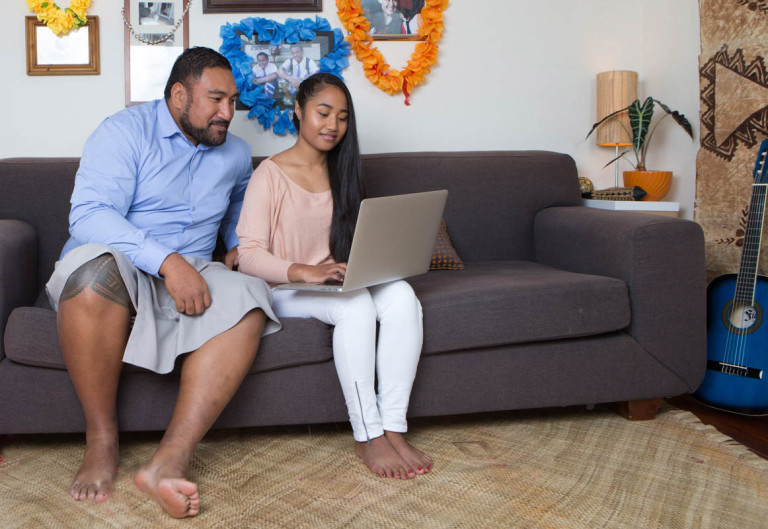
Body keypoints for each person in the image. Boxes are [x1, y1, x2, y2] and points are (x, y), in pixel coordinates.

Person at [45, 47, 280, 518]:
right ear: (178, 95)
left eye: (233, 101)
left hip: (197, 264)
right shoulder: (123, 132)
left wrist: (238, 245)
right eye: (216, 99)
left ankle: (168, 461)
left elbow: (238, 210)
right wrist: (168, 263)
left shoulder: (233, 152)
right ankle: (102, 440)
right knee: (92, 276)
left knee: (252, 299)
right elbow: (89, 215)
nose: (227, 113)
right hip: (125, 261)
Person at [236, 73, 433, 479]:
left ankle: (393, 426)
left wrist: (369, 262)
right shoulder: (268, 175)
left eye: (342, 117)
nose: (333, 125)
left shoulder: (343, 171)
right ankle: (367, 435)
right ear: (298, 112)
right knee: (357, 305)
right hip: (284, 288)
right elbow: (248, 256)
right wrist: (305, 271)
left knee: (401, 295)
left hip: (331, 282)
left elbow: (348, 244)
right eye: (323, 113)